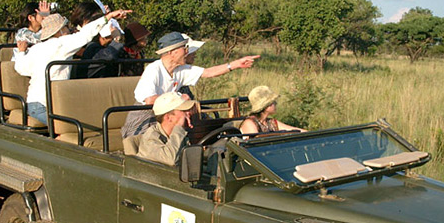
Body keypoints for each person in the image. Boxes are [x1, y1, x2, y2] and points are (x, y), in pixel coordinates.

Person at [121, 32, 259, 138]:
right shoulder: (153, 69)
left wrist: (235, 64)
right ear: (172, 52)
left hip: (166, 114)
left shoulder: (180, 69)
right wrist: (179, 98)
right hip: (145, 117)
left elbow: (208, 72)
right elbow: (150, 100)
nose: (187, 52)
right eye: (184, 48)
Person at [14, 9, 131, 124]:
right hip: (47, 106)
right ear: (59, 31)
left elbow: (21, 68)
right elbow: (85, 34)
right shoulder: (61, 44)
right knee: (73, 126)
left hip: (34, 105)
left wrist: (21, 52)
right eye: (66, 27)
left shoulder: (37, 48)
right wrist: (108, 17)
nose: (69, 30)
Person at [137, 92, 195, 166]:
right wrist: (179, 127)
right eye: (183, 111)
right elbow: (170, 160)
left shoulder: (183, 133)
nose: (188, 113)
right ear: (169, 117)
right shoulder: (150, 139)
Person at [240, 85, 306, 137]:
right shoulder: (249, 123)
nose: (275, 103)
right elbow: (253, 145)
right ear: (266, 106)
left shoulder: (271, 122)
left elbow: (295, 131)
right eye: (273, 102)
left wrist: (312, 134)